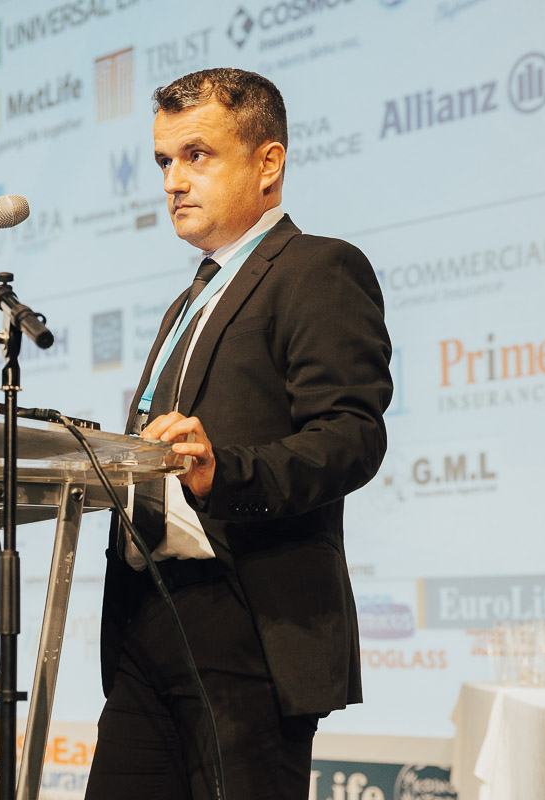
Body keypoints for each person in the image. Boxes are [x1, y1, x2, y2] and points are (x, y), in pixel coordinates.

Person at [86, 69, 392, 800]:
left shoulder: (319, 268)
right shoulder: (190, 298)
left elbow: (351, 435)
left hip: (248, 624)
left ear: (268, 162)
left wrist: (225, 472)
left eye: (197, 155)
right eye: (164, 161)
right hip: (147, 620)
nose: (173, 181)